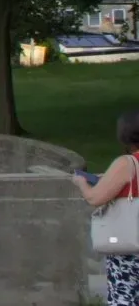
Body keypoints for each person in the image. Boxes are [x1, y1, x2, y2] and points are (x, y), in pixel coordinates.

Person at [77, 111, 139, 306]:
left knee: (125, 295)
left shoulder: (128, 164)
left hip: (131, 246)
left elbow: (95, 198)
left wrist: (81, 182)